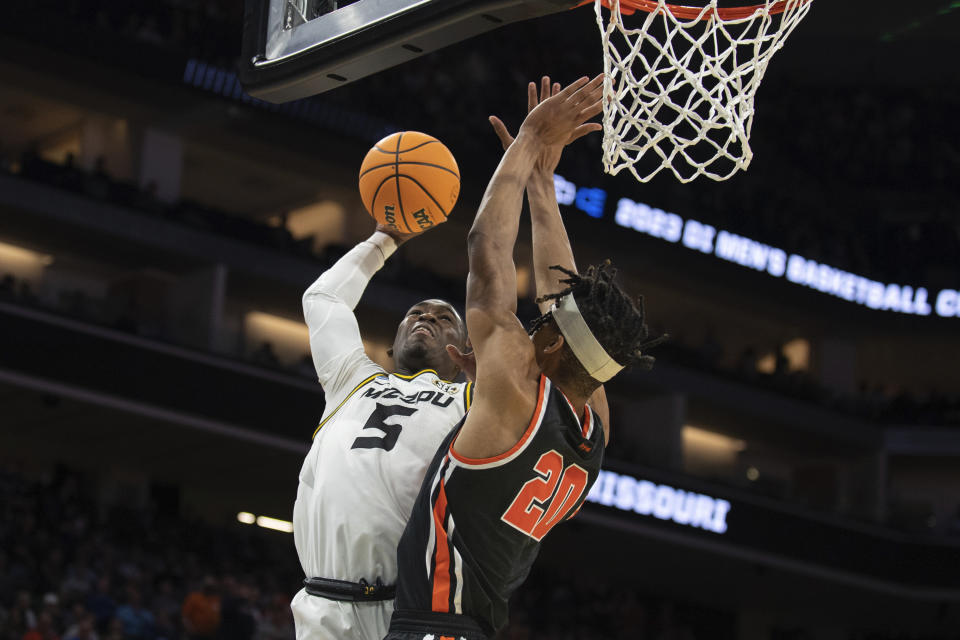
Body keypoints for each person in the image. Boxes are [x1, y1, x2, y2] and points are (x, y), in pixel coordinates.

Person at [385, 75, 664, 640]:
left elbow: (485, 251)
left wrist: (529, 141)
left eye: (545, 323)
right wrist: (542, 184)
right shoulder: (594, 426)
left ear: (555, 344)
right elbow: (564, 297)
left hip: (434, 629)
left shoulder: (515, 385)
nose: (539, 317)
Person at [290, 215, 475, 640]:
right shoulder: (352, 379)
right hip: (323, 607)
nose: (427, 317)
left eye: (445, 319)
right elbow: (323, 299)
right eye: (415, 313)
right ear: (392, 342)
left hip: (412, 613)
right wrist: (385, 239)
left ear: (466, 352)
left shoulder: (472, 402)